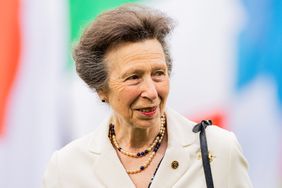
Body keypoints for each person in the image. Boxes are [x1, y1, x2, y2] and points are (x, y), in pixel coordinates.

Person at [43, 3, 252, 188]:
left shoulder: (218, 150)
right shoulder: (67, 168)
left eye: (158, 74)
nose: (151, 92)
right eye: (134, 77)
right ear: (101, 88)